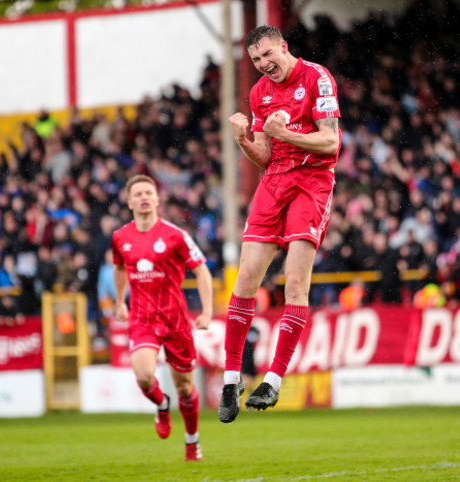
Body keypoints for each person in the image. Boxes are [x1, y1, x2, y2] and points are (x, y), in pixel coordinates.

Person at [218, 25, 341, 423]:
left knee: (294, 282)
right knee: (246, 278)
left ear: (284, 47)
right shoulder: (259, 93)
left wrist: (287, 132)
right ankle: (231, 377)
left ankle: (272, 379)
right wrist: (242, 140)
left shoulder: (317, 77)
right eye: (256, 60)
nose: (263, 64)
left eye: (268, 54)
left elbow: (331, 143)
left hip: (312, 182)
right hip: (275, 182)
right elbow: (266, 157)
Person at [112, 174, 213, 462]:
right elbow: (119, 268)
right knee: (144, 376)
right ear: (129, 201)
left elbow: (202, 270)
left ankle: (192, 442)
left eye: (149, 193)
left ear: (157, 199)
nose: (144, 197)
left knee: (184, 386)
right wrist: (120, 302)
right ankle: (161, 404)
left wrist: (206, 312)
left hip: (175, 320)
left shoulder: (176, 235)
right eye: (138, 194)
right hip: (142, 319)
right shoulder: (120, 237)